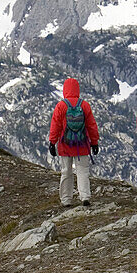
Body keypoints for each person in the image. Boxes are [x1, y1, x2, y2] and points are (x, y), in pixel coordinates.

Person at [48, 77, 100, 207]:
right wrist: (94, 142)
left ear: (65, 90)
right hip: (82, 145)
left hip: (65, 145)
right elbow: (92, 125)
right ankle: (85, 197)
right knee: (82, 171)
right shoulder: (84, 105)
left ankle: (66, 199)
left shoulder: (61, 106)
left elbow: (55, 126)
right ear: (77, 89)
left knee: (66, 171)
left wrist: (52, 142)